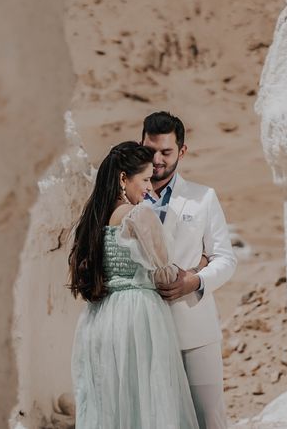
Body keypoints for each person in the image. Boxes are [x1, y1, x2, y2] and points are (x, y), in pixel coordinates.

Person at [69, 141, 202, 429]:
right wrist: (195, 269)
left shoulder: (94, 219)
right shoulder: (138, 215)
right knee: (148, 400)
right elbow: (163, 273)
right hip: (138, 317)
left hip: (101, 317)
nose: (149, 189)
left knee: (113, 403)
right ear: (123, 179)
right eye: (144, 179)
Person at [143, 112, 236, 429]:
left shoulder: (203, 198)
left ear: (182, 151)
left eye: (166, 152)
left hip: (195, 330)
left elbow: (224, 258)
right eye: (150, 150)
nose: (156, 160)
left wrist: (196, 280)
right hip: (143, 332)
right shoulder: (124, 199)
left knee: (207, 418)